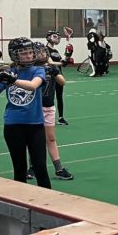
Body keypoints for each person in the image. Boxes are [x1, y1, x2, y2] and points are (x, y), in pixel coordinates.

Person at [0, 37, 51, 188]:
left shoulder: (38, 70)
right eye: (24, 53)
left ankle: (48, 204)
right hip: (13, 125)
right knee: (19, 169)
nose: (29, 56)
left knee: (40, 167)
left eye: (30, 53)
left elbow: (33, 86)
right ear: (15, 55)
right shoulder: (9, 72)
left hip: (35, 125)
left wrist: (11, 80)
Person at [26, 43, 73, 181]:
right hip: (34, 107)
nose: (41, 54)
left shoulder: (51, 67)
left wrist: (54, 71)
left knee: (51, 138)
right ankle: (32, 167)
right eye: (38, 52)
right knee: (33, 139)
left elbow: (62, 82)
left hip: (48, 107)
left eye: (43, 52)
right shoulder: (31, 69)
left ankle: (58, 168)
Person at [45, 31, 69, 125]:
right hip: (49, 77)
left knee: (59, 96)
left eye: (58, 37)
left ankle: (61, 117)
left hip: (58, 75)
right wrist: (62, 63)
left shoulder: (56, 51)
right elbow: (50, 63)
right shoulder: (45, 50)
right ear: (48, 37)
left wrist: (66, 59)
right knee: (49, 97)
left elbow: (60, 62)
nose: (57, 38)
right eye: (54, 36)